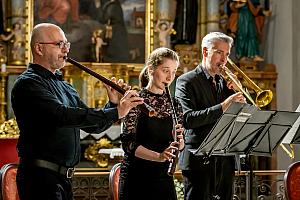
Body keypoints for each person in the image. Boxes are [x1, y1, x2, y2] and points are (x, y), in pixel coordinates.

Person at [11, 23, 144, 200]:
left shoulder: (66, 87)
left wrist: (112, 103)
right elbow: (61, 115)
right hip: (40, 178)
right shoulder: (28, 84)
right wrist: (118, 111)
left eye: (67, 44)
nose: (65, 50)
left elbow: (92, 126)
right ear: (39, 48)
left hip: (63, 180)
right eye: (59, 44)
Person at [175, 32, 247, 200]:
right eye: (219, 52)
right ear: (205, 51)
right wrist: (223, 106)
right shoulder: (186, 81)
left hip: (225, 160)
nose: (224, 59)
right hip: (198, 161)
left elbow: (244, 117)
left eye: (227, 54)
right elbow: (187, 119)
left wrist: (239, 91)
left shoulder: (227, 83)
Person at [119, 47, 185, 200]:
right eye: (165, 70)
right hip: (136, 177)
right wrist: (159, 156)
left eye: (174, 72)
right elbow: (128, 144)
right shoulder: (136, 100)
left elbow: (180, 146)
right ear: (151, 69)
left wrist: (179, 140)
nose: (170, 77)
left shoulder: (175, 104)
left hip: (163, 177)